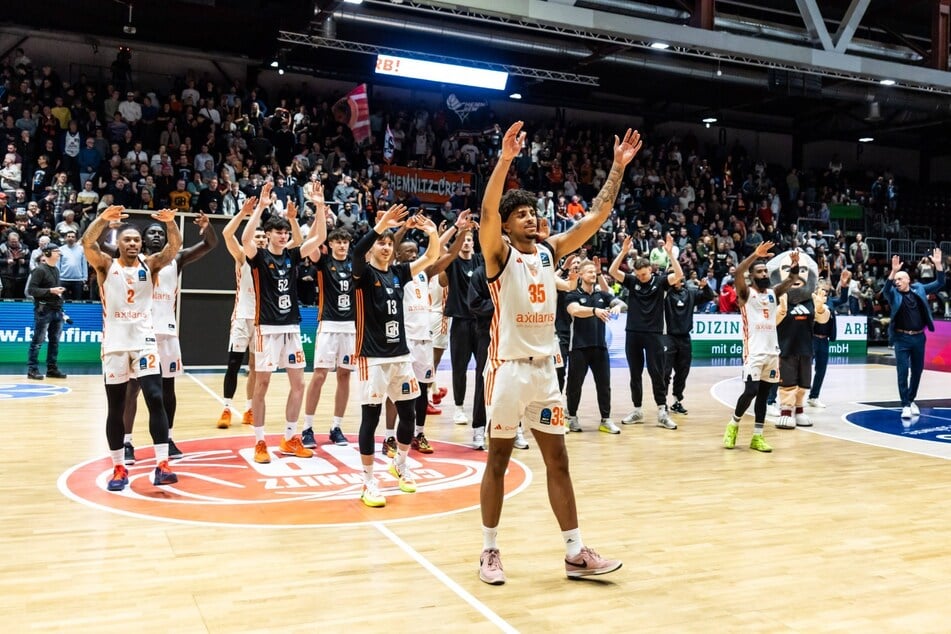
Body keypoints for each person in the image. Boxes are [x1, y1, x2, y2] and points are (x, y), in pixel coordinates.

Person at [477, 121, 639, 585]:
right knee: (498, 461)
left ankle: (574, 552)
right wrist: (505, 159)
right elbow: (486, 213)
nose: (530, 219)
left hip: (545, 371)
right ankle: (489, 550)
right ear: (507, 225)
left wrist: (617, 167)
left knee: (559, 461)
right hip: (507, 370)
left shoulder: (549, 252)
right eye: (520, 214)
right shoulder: (498, 255)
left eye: (533, 212)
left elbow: (596, 216)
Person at [82, 205, 182, 492]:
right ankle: (118, 467)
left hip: (144, 340)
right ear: (119, 243)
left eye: (136, 240)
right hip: (114, 343)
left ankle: (162, 464)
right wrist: (103, 219)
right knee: (116, 406)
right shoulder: (105, 265)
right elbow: (87, 243)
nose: (133, 243)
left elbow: (173, 248)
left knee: (155, 396)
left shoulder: (149, 265)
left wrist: (171, 224)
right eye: (127, 239)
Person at [351, 206, 441, 508]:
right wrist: (380, 226)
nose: (386, 247)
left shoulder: (399, 273)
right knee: (371, 418)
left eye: (390, 243)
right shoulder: (363, 273)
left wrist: (432, 233)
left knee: (409, 413)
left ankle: (400, 463)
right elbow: (357, 251)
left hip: (400, 355)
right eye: (381, 243)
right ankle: (367, 480)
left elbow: (430, 258)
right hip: (372, 357)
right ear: (373, 247)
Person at [122, 211, 218, 464]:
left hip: (167, 332)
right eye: (151, 233)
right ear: (142, 239)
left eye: (160, 233)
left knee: (168, 390)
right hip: (140, 333)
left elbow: (210, 244)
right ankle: (127, 442)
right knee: (132, 388)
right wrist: (107, 226)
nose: (156, 236)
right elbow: (98, 246)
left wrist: (207, 226)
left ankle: (168, 438)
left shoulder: (176, 258)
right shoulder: (131, 259)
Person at [381, 210, 477, 456]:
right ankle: (389, 437)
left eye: (416, 252)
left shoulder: (425, 273)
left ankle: (419, 433)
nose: (414, 255)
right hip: (403, 341)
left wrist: (461, 230)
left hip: (424, 339)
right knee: (395, 391)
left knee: (423, 389)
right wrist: (404, 228)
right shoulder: (393, 273)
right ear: (398, 255)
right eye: (408, 252)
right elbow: (391, 247)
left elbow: (450, 254)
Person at [241, 182, 325, 464]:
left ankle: (289, 437)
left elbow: (318, 237)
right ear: (268, 235)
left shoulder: (291, 255)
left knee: (299, 384)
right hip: (266, 328)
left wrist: (319, 206)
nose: (284, 235)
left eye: (286, 232)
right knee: (262, 384)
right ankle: (260, 441)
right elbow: (245, 239)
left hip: (291, 328)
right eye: (278, 232)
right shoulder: (259, 257)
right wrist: (260, 208)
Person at [722, 242, 799, 453]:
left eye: (765, 270)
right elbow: (738, 271)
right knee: (751, 391)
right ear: (752, 276)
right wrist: (755, 255)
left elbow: (792, 279)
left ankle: (757, 436)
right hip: (753, 352)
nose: (764, 273)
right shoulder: (745, 293)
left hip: (772, 352)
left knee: (764, 397)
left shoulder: (773, 293)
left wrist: (795, 265)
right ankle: (733, 424)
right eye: (760, 271)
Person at [299, 184, 357, 449]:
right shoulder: (322, 262)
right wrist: (320, 208)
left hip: (351, 327)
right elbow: (312, 241)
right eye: (338, 242)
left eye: (345, 242)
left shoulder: (356, 264)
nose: (342, 245)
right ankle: (307, 427)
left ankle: (336, 426)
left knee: (344, 376)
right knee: (320, 375)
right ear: (331, 244)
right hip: (328, 324)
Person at [608, 233, 683, 429]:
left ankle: (662, 412)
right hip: (633, 333)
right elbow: (612, 271)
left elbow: (679, 275)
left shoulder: (660, 282)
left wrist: (670, 254)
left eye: (644, 274)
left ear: (650, 269)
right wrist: (623, 252)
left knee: (656, 373)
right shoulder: (632, 281)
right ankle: (637, 410)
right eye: (638, 274)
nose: (641, 277)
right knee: (635, 374)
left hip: (654, 334)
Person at [216, 197, 266, 429]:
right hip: (242, 317)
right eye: (257, 236)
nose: (261, 239)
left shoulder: (271, 261)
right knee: (234, 364)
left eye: (264, 237)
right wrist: (244, 214)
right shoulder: (242, 257)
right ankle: (226, 408)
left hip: (262, 320)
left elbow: (296, 243)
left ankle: (249, 409)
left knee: (255, 367)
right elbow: (227, 234)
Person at [882, 249, 945, 419]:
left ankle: (910, 400)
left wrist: (938, 265)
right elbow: (885, 290)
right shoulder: (893, 294)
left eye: (900, 279)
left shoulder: (919, 288)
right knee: (902, 372)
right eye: (896, 280)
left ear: (908, 280)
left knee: (917, 372)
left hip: (918, 337)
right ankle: (905, 405)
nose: (897, 282)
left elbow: (940, 282)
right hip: (901, 338)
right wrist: (893, 272)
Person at [771, 251, 830, 429]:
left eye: (803, 270)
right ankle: (786, 411)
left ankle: (799, 410)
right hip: (786, 348)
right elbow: (771, 323)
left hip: (805, 348)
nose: (796, 276)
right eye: (787, 270)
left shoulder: (811, 300)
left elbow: (823, 320)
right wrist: (781, 310)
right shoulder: (777, 298)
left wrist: (821, 309)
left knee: (804, 382)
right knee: (787, 382)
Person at [564, 259, 624, 433]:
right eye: (589, 272)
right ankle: (572, 418)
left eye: (594, 272)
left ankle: (605, 420)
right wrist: (594, 311)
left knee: (604, 385)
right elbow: (575, 310)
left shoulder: (602, 295)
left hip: (600, 347)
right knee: (574, 385)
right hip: (579, 347)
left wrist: (618, 307)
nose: (593, 274)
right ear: (581, 274)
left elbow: (621, 303)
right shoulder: (573, 295)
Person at [440, 229, 482, 425]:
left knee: (483, 369)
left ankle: (483, 407)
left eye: (469, 240)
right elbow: (439, 249)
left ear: (473, 242)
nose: (466, 243)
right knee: (459, 368)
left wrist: (481, 229)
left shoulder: (480, 260)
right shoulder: (453, 262)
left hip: (481, 322)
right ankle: (458, 407)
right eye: (463, 240)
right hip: (460, 322)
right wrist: (453, 232)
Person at [663, 273, 714, 415]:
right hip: (668, 337)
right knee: (665, 372)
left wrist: (706, 287)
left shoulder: (690, 293)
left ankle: (677, 401)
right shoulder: (665, 293)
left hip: (685, 338)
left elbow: (709, 296)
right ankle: (662, 403)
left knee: (683, 372)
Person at [26, 242, 68, 381]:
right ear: (48, 253)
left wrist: (58, 295)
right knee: (38, 341)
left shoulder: (56, 270)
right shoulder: (39, 270)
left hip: (56, 310)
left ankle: (52, 368)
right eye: (56, 251)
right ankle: (32, 369)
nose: (59, 254)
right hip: (44, 310)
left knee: (54, 342)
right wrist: (50, 291)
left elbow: (53, 290)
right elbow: (31, 290)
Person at [806, 281, 836, 408]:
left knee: (821, 370)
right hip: (811, 339)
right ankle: (794, 397)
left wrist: (844, 287)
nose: (825, 292)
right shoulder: (810, 302)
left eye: (827, 291)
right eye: (823, 290)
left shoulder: (830, 302)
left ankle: (814, 397)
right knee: (805, 368)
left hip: (824, 340)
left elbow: (843, 299)